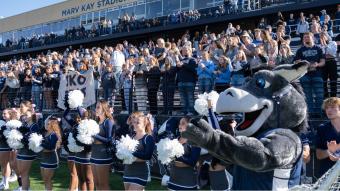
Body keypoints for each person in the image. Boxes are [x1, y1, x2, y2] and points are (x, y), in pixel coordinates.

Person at [294, 32, 325, 115]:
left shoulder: (319, 48)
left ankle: (319, 113)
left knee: (319, 96)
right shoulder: (300, 50)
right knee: (307, 96)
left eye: (308, 37)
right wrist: (303, 63)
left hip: (317, 74)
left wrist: (317, 64)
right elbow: (296, 62)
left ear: (313, 38)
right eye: (305, 37)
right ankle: (311, 114)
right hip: (304, 75)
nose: (306, 38)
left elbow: (323, 62)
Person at [123, 112, 155, 191]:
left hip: (140, 173)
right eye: (134, 122)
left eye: (138, 122)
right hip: (128, 172)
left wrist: (131, 154)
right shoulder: (131, 137)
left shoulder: (148, 138)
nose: (135, 124)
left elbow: (147, 156)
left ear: (144, 123)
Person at [167, 117, 201, 190]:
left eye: (183, 123)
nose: (180, 126)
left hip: (187, 182)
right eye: (179, 123)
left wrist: (178, 156)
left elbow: (192, 162)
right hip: (172, 180)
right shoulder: (175, 139)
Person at [91, 100, 115, 190]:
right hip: (93, 154)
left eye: (98, 107)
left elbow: (109, 140)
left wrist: (95, 135)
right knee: (96, 183)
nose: (96, 109)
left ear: (104, 109)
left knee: (103, 184)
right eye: (96, 107)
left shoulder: (108, 122)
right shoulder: (96, 122)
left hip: (103, 155)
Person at [316, 97, 340, 178]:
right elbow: (318, 155)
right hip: (327, 175)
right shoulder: (322, 128)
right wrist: (329, 151)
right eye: (326, 108)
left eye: (333, 107)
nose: (329, 110)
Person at [17, 109, 39, 191]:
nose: (25, 116)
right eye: (25, 115)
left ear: (32, 116)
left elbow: (33, 140)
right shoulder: (25, 124)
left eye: (27, 115)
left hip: (28, 152)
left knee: (24, 173)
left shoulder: (34, 126)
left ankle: (24, 189)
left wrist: (24, 138)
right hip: (21, 150)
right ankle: (26, 188)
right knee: (21, 173)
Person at [40, 116, 61, 191]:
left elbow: (51, 147)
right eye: (47, 124)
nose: (46, 125)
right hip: (44, 158)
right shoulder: (46, 133)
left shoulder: (54, 135)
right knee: (44, 179)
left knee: (48, 179)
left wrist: (40, 143)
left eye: (48, 124)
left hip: (51, 158)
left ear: (53, 125)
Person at [176, 46, 197, 115]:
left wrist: (184, 65)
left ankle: (191, 111)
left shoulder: (193, 59)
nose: (184, 51)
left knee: (190, 98)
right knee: (183, 99)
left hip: (190, 82)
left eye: (186, 50)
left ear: (190, 51)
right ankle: (184, 111)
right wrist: (177, 66)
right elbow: (178, 71)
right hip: (181, 82)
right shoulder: (181, 60)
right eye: (183, 50)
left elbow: (193, 69)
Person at [319, 32, 338, 98]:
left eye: (323, 36)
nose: (322, 37)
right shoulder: (319, 45)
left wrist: (324, 44)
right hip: (323, 63)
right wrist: (323, 45)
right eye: (321, 37)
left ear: (327, 36)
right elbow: (323, 54)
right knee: (323, 81)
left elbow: (331, 53)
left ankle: (333, 97)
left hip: (331, 62)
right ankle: (326, 97)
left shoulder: (333, 43)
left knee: (333, 80)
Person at [0, 109, 12, 190]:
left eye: (5, 114)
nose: (3, 115)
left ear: (10, 114)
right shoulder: (3, 122)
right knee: (3, 165)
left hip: (5, 147)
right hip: (1, 146)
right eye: (3, 114)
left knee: (5, 164)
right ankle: (3, 181)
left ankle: (6, 183)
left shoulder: (11, 123)